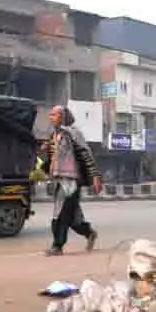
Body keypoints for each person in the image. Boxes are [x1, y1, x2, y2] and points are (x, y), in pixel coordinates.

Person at [41, 105, 102, 256]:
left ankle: (57, 246)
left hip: (71, 181)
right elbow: (50, 157)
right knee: (73, 218)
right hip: (58, 180)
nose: (51, 117)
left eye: (54, 115)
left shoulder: (73, 133)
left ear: (62, 117)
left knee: (61, 213)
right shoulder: (53, 136)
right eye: (50, 115)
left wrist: (95, 176)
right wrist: (45, 152)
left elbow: (85, 155)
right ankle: (89, 233)